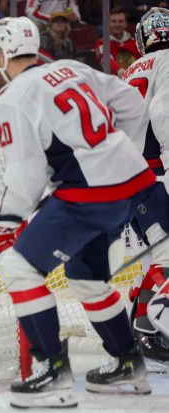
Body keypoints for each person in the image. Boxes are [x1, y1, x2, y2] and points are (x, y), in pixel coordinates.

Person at [0, 16, 153, 408]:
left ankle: (52, 372)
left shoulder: (11, 98)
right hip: (130, 184)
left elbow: (26, 175)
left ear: (2, 54)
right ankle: (128, 364)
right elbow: (130, 101)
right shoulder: (71, 68)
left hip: (88, 195)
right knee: (85, 275)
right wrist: (117, 152)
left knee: (19, 268)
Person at [121, 7, 169, 368]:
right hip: (154, 176)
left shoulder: (131, 71)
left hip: (127, 178)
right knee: (166, 256)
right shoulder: (168, 61)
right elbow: (163, 114)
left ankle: (138, 329)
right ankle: (150, 325)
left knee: (155, 255)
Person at [95, 6, 141, 77]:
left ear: (126, 24)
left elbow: (142, 61)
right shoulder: (102, 43)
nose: (117, 24)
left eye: (121, 21)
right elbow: (105, 60)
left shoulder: (135, 43)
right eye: (113, 21)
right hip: (113, 82)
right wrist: (119, 70)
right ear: (108, 24)